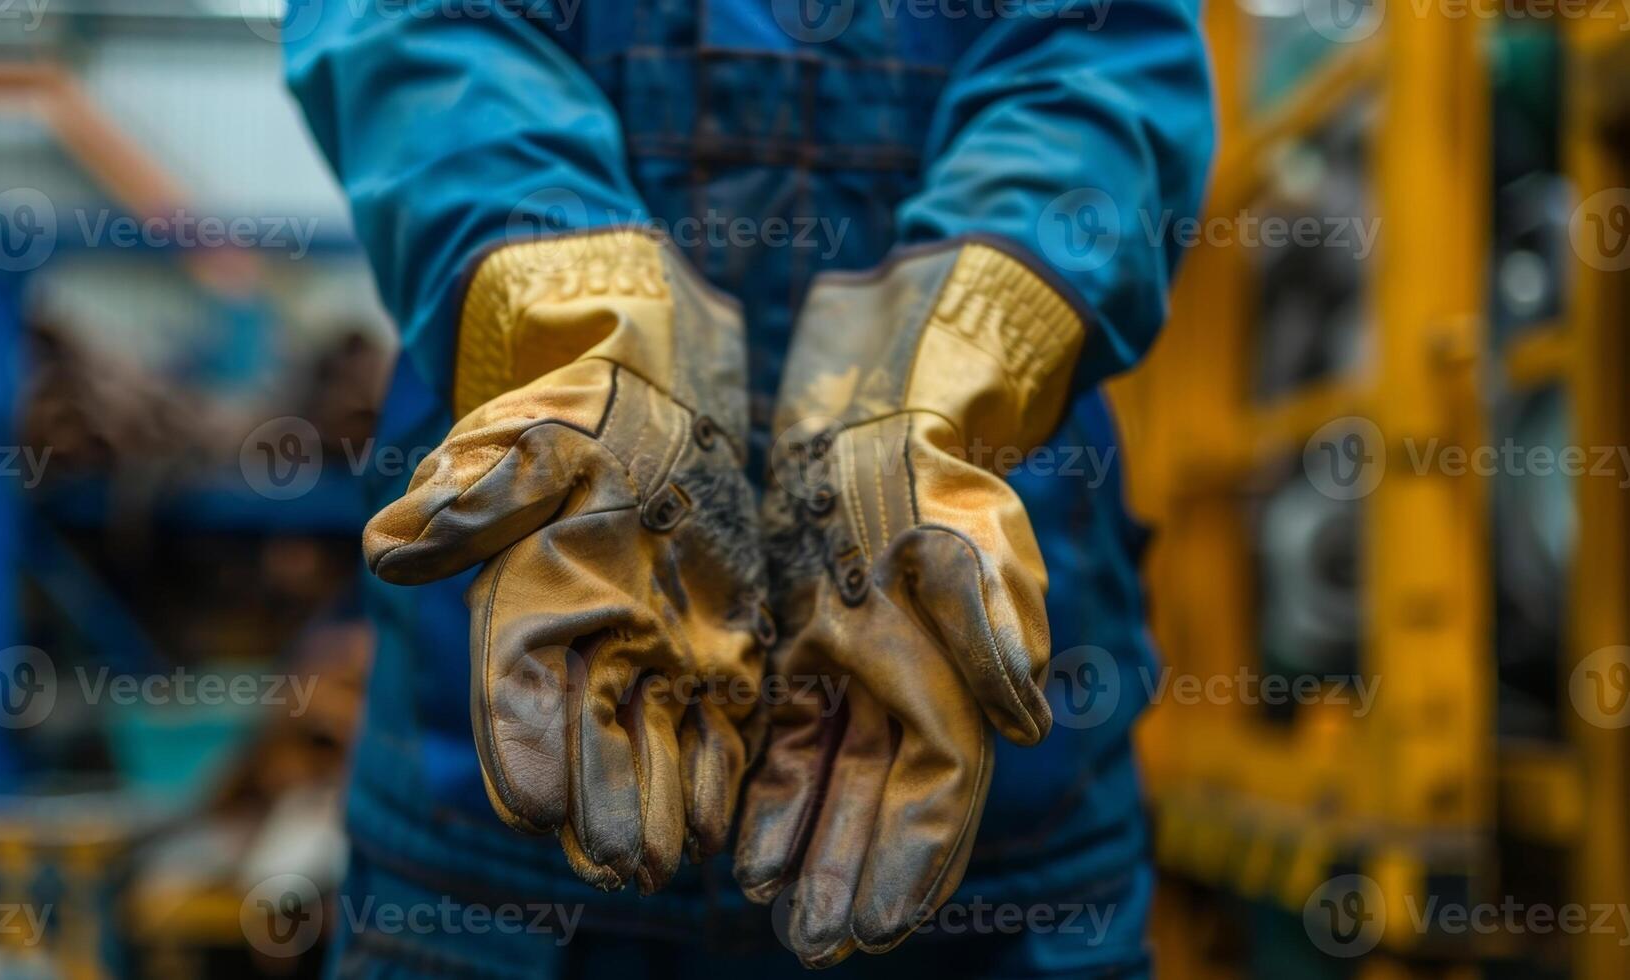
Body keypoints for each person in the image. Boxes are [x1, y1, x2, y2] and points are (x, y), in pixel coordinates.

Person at [285, 0, 1213, 975]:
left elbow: (1100, 54)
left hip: (983, 800)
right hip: (498, 829)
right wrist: (572, 310)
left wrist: (945, 369)